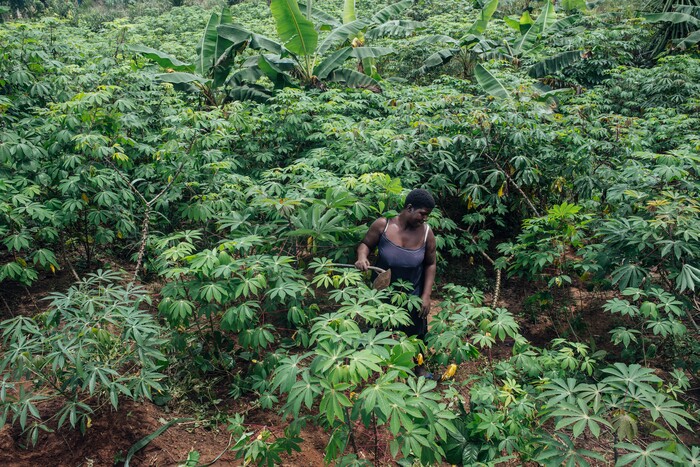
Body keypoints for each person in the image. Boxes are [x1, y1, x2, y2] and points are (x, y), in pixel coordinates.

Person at [354, 189, 437, 341]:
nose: (425, 218)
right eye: (422, 213)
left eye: (427, 215)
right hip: (381, 294)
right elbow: (365, 244)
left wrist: (426, 295)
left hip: (412, 298)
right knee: (377, 338)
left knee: (412, 342)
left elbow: (431, 264)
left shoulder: (426, 233)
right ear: (409, 207)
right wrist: (362, 256)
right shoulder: (382, 225)